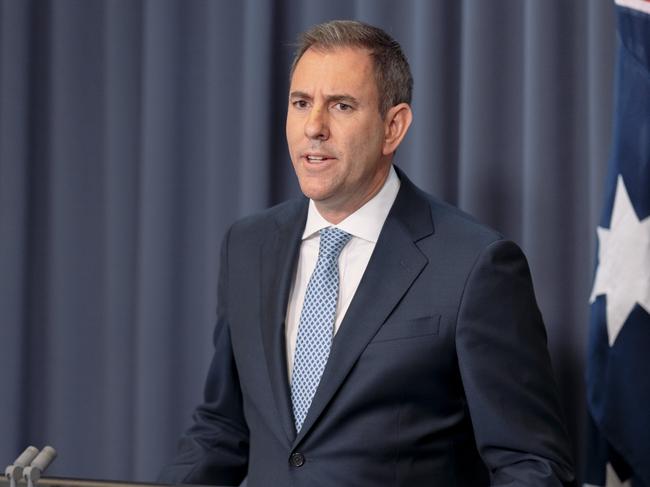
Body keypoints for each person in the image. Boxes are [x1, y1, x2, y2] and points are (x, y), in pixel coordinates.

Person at [159, 20, 575, 486]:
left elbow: (531, 465)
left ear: (392, 127)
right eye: (301, 104)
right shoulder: (248, 244)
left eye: (341, 106)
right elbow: (222, 431)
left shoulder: (475, 264)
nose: (314, 127)